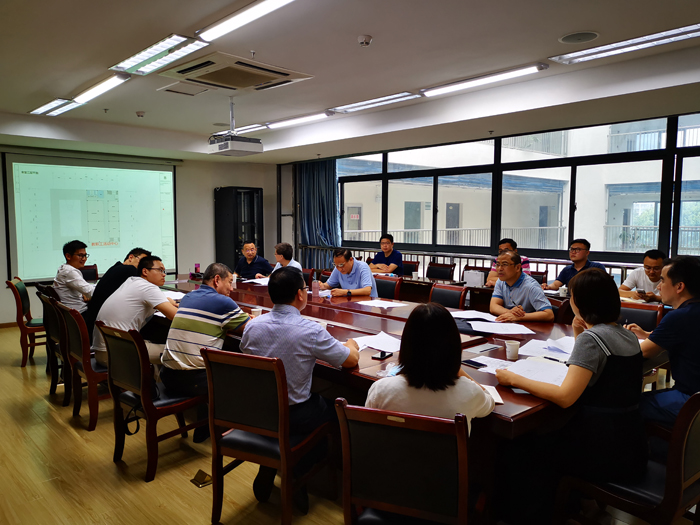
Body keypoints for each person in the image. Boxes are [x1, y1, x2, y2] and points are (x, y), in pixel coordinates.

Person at [496, 268, 647, 521]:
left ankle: (528, 515)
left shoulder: (593, 338)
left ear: (581, 302)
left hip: (597, 447)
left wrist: (513, 378)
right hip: (629, 441)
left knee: (521, 445)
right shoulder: (627, 334)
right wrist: (580, 334)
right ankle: (575, 503)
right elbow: (597, 369)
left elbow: (566, 397)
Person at [240, 267, 360, 505]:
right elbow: (350, 361)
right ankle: (303, 469)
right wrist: (351, 344)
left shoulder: (252, 326)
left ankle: (275, 463)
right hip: (295, 414)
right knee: (338, 410)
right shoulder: (310, 330)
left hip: (258, 411)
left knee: (310, 401)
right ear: (300, 294)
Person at [365, 302, 494, 433]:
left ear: (406, 346)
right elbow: (489, 400)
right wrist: (456, 369)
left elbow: (369, 432)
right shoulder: (470, 392)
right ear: (454, 347)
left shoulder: (381, 390)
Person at [161, 263, 250, 442]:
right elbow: (250, 328)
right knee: (240, 371)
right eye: (229, 282)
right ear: (217, 280)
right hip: (193, 381)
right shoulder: (223, 302)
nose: (231, 288)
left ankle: (203, 428)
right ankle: (230, 432)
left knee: (207, 363)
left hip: (167, 376)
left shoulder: (188, 297)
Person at [625, 255, 700, 427]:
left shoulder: (679, 316)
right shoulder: (692, 311)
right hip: (694, 393)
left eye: (663, 280)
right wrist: (648, 335)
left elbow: (641, 352)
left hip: (691, 401)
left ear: (679, 286)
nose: (658, 287)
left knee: (628, 405)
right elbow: (687, 337)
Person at [92, 255, 178, 367]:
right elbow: (175, 316)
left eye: (164, 271)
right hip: (116, 354)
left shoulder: (131, 281)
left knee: (156, 341)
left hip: (104, 351)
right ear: (145, 271)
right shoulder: (148, 288)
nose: (164, 274)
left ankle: (154, 377)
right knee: (178, 353)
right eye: (160, 270)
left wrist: (166, 301)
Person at [82, 247, 151, 340]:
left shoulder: (116, 267)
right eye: (142, 262)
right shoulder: (130, 270)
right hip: (105, 330)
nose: (144, 267)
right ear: (131, 257)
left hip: (94, 323)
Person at [490, 251, 554, 322]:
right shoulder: (501, 281)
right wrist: (511, 312)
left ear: (517, 267)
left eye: (505, 264)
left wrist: (519, 317)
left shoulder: (531, 286)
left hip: (529, 326)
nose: (499, 269)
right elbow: (493, 306)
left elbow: (549, 314)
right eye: (498, 265)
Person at [542, 239, 606, 290]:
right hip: (570, 300)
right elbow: (556, 284)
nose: (573, 252)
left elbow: (604, 287)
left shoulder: (597, 268)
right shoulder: (567, 270)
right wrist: (548, 286)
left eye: (577, 250)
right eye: (572, 249)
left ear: (587, 253)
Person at [53, 240, 95, 313]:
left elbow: (87, 289)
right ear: (68, 256)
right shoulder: (70, 272)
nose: (84, 259)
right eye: (80, 255)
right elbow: (90, 292)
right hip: (80, 314)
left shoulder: (63, 268)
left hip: (73, 312)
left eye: (85, 255)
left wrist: (83, 293)